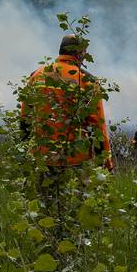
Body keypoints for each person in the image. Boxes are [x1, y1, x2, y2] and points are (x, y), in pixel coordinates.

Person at [19, 34, 114, 211]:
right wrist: (106, 161)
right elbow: (98, 125)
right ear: (79, 54)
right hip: (76, 159)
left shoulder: (38, 75)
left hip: (43, 155)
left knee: (46, 210)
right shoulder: (86, 81)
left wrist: (24, 145)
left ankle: (48, 237)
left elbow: (25, 116)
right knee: (77, 210)